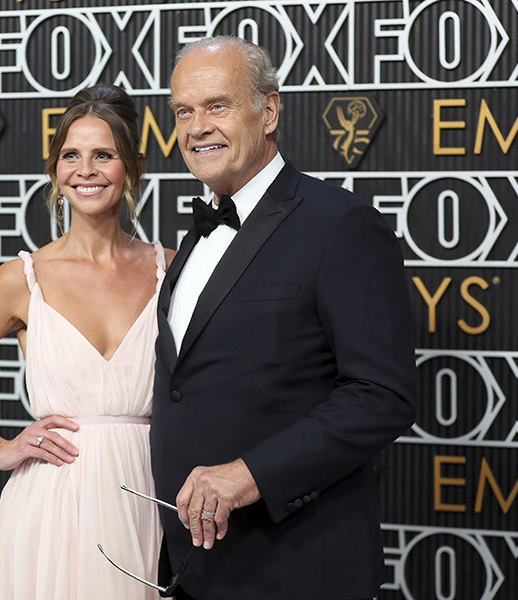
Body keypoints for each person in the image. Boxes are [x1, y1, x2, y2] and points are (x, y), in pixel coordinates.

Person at [149, 37, 417, 599]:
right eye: (183, 111)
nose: (197, 127)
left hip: (295, 567)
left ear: (268, 111)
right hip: (191, 566)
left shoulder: (340, 224)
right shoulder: (194, 238)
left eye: (217, 106)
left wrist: (250, 474)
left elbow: (381, 395)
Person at [0, 83, 173, 600]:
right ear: (55, 169)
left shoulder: (171, 269)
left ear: (134, 166)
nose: (86, 170)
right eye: (71, 155)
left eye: (104, 155)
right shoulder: (22, 278)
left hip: (148, 497)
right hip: (53, 506)